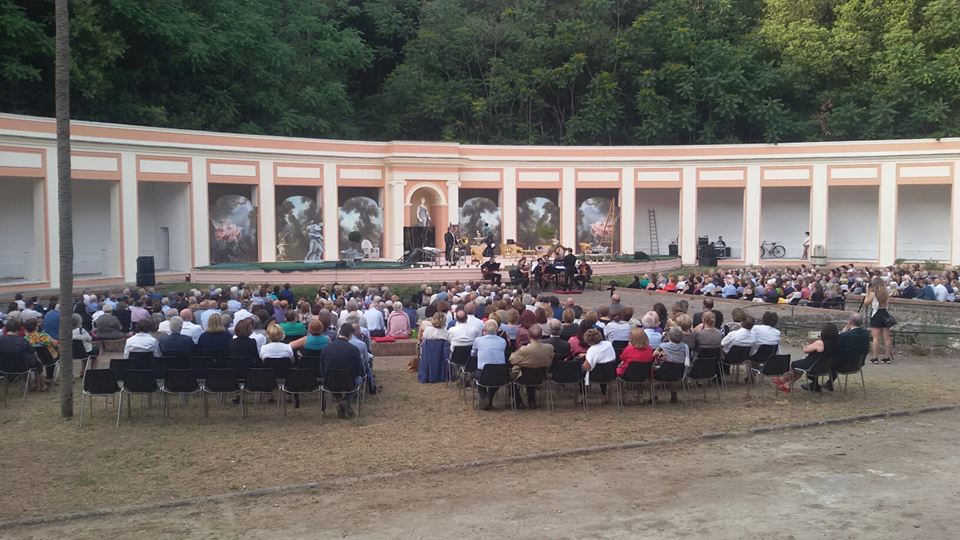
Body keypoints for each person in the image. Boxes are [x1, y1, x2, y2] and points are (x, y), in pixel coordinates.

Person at [775, 322, 839, 393]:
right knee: (799, 366)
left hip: (812, 366)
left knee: (795, 365)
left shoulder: (820, 343)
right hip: (825, 368)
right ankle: (786, 384)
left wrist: (805, 346)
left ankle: (784, 380)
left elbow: (806, 350)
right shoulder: (836, 344)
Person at [320, 324, 366, 418]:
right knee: (359, 380)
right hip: (349, 382)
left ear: (338, 333)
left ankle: (340, 401)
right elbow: (360, 372)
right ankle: (345, 402)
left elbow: (322, 370)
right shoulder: (354, 350)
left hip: (330, 382)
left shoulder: (326, 349)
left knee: (330, 379)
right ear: (350, 335)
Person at [822, 312, 871, 392]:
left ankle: (816, 384)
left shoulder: (845, 336)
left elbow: (835, 346)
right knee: (842, 357)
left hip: (843, 365)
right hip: (858, 363)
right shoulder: (866, 334)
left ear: (850, 322)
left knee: (831, 359)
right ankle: (829, 383)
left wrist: (842, 332)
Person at [507, 324, 553, 409]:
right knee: (531, 370)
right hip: (541, 377)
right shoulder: (549, 348)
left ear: (529, 336)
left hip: (525, 377)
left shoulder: (524, 349)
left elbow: (512, 360)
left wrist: (522, 361)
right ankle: (532, 401)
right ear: (541, 335)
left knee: (510, 378)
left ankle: (519, 402)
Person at [471, 320, 508, 410]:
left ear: (484, 330)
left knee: (479, 382)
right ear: (497, 329)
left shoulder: (478, 340)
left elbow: (473, 354)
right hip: (500, 372)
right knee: (496, 381)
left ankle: (485, 398)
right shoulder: (502, 341)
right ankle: (489, 398)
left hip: (483, 372)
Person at [0, 319, 45, 391]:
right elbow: (34, 353)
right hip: (21, 367)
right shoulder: (22, 340)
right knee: (36, 363)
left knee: (23, 362)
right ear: (18, 329)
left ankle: (30, 385)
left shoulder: (1, 339)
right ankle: (41, 386)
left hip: (3, 368)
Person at [654, 327, 690, 403]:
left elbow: (654, 354)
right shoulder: (685, 346)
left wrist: (660, 355)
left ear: (669, 336)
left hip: (662, 374)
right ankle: (674, 393)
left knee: (654, 370)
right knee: (674, 370)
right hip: (679, 373)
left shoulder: (663, 346)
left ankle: (654, 395)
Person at [865, 277, 894, 364]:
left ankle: (875, 357)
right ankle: (887, 357)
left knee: (876, 338)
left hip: (876, 314)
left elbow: (866, 302)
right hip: (885, 314)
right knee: (887, 338)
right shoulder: (886, 293)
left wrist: (867, 292)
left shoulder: (873, 293)